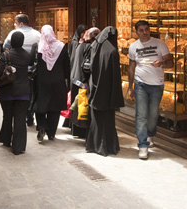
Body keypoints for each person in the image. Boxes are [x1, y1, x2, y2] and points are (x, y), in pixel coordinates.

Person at [127, 20, 174, 160]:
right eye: (141, 30)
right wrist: (130, 87)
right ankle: (142, 145)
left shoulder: (160, 44)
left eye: (146, 29)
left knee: (153, 114)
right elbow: (131, 67)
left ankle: (150, 134)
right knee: (141, 114)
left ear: (149, 30)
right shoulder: (133, 47)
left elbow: (171, 63)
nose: (144, 32)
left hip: (157, 84)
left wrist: (162, 63)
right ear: (137, 32)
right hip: (140, 83)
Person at [85, 26, 125, 156]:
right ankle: (107, 146)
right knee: (107, 120)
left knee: (96, 119)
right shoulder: (112, 51)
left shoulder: (95, 47)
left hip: (95, 89)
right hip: (107, 92)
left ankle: (94, 145)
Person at [32, 25, 70, 142]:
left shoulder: (38, 47)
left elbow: (30, 61)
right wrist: (66, 78)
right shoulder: (61, 47)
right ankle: (52, 133)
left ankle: (42, 126)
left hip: (41, 81)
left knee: (41, 105)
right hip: (58, 81)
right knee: (55, 107)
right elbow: (67, 66)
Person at [0, 32, 30, 155]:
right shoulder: (27, 55)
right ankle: (18, 147)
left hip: (7, 91)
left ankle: (6, 139)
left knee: (7, 115)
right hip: (23, 91)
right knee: (20, 119)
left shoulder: (6, 55)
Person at [2, 14, 41, 126]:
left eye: (15, 23)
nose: (15, 25)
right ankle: (30, 117)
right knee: (31, 94)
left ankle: (20, 116)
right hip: (32, 71)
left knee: (19, 94)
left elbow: (5, 47)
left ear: (21, 23)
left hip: (17, 70)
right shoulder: (38, 34)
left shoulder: (13, 33)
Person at [67, 27, 100, 138]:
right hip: (82, 80)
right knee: (82, 106)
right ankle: (82, 131)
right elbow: (85, 66)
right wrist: (85, 81)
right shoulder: (88, 47)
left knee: (78, 105)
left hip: (75, 78)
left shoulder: (80, 46)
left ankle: (76, 130)